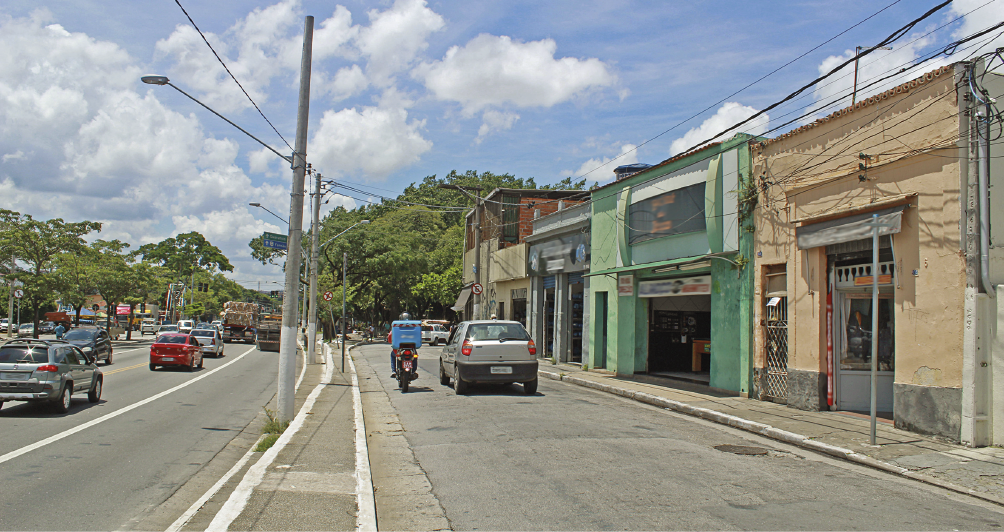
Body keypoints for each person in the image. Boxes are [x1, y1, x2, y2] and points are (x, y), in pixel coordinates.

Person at [390, 312, 411, 378]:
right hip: (411, 348)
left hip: (399, 348)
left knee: (392, 355)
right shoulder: (413, 325)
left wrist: (390, 341)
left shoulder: (397, 325)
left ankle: (394, 371)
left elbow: (390, 336)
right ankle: (413, 371)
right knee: (415, 356)